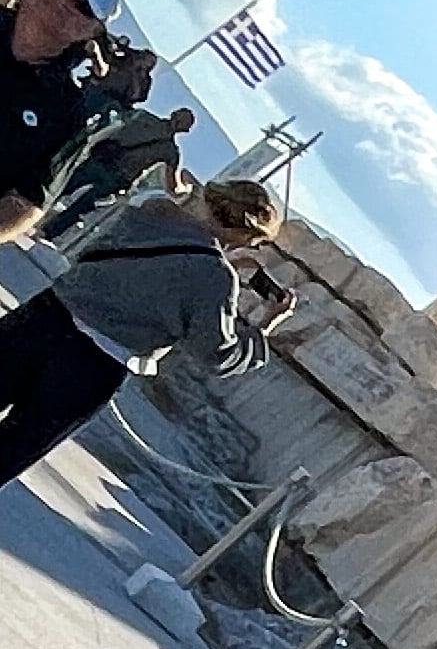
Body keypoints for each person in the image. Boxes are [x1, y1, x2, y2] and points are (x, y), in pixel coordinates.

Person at [0, 171, 292, 492]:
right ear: (248, 235)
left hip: (45, 316)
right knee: (12, 447)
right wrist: (265, 326)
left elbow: (117, 256)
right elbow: (216, 355)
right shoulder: (215, 278)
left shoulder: (151, 209)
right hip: (92, 366)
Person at [0, 0, 129, 241]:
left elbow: (27, 202)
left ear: (90, 33)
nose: (65, 4)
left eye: (82, 7)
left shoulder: (69, 114)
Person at [40, 98, 198, 240]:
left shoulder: (141, 115)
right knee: (84, 204)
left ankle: (35, 207)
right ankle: (49, 231)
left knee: (64, 185)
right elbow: (173, 187)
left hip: (101, 159)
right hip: (119, 178)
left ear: (173, 113)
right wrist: (187, 189)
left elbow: (114, 121)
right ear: (185, 130)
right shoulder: (170, 151)